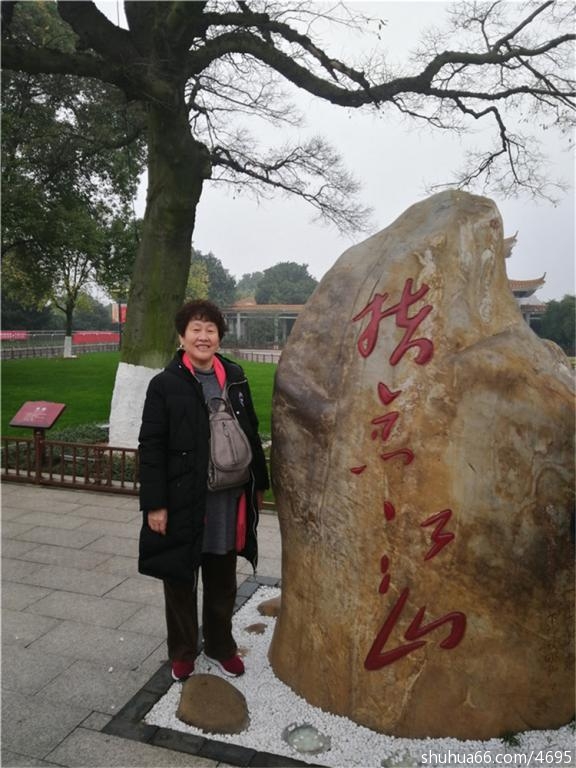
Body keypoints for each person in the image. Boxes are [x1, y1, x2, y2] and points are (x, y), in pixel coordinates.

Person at [138, 299, 269, 682]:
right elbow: (152, 446)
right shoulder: (165, 385)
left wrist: (259, 483)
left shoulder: (235, 376)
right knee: (180, 578)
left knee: (222, 577)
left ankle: (220, 645)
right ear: (182, 336)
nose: (203, 336)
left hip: (228, 498)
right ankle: (182, 652)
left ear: (219, 337)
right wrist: (155, 504)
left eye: (210, 329)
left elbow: (250, 430)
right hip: (183, 498)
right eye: (195, 329)